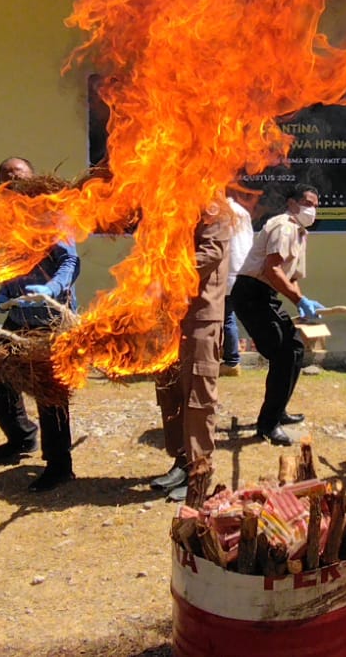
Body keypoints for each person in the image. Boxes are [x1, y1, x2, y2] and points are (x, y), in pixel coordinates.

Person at [0, 157, 81, 491]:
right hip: (17, 315)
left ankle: (59, 464)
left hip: (52, 316)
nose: (13, 181)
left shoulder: (50, 215)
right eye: (5, 177)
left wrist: (53, 288)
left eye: (19, 175)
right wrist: (2, 293)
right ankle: (22, 436)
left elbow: (69, 260)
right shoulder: (3, 222)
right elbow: (9, 266)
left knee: (49, 388)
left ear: (34, 180)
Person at [230, 183, 323, 446]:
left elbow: (289, 276)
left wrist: (303, 303)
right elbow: (272, 270)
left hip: (265, 295)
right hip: (252, 293)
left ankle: (278, 410)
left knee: (293, 349)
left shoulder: (299, 232)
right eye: (307, 203)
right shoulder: (284, 226)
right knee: (284, 354)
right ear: (292, 203)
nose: (312, 209)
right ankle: (268, 425)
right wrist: (299, 299)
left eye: (316, 205)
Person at [151, 202, 233, 502]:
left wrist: (167, 276)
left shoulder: (213, 205)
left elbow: (211, 253)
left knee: (198, 395)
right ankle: (181, 462)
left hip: (200, 315)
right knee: (170, 391)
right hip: (169, 314)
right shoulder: (173, 199)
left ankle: (199, 472)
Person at [220, 187, 255, 377]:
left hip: (226, 273)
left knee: (226, 318)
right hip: (242, 270)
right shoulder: (242, 212)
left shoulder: (218, 212)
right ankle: (228, 357)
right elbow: (249, 239)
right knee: (229, 316)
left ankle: (232, 361)